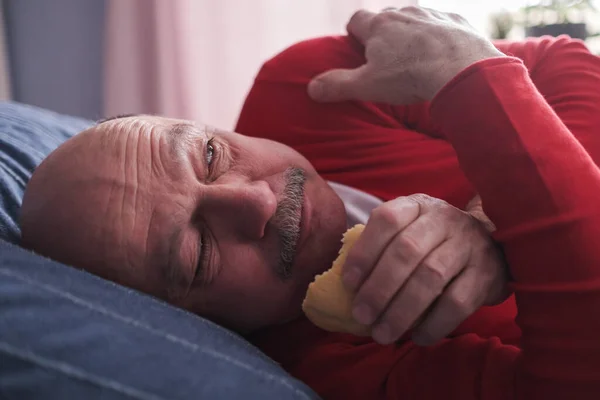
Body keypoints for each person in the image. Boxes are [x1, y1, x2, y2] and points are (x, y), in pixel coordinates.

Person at [19, 5, 600, 399]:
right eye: (198, 252)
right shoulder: (335, 366)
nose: (254, 202)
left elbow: (567, 65)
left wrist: (488, 226)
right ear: (182, 318)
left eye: (212, 156)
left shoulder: (304, 88)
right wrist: (469, 75)